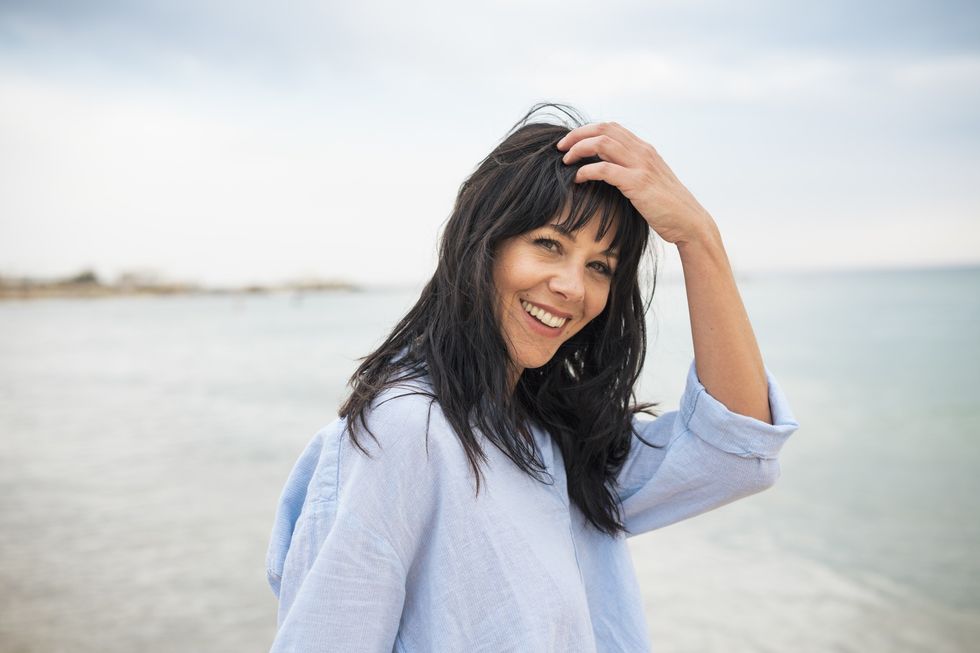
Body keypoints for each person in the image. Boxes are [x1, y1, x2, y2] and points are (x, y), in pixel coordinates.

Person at [265, 103, 800, 652]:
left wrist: (698, 238)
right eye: (549, 244)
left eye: (599, 266)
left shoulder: (552, 435)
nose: (572, 286)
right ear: (484, 242)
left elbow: (736, 449)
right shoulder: (405, 430)